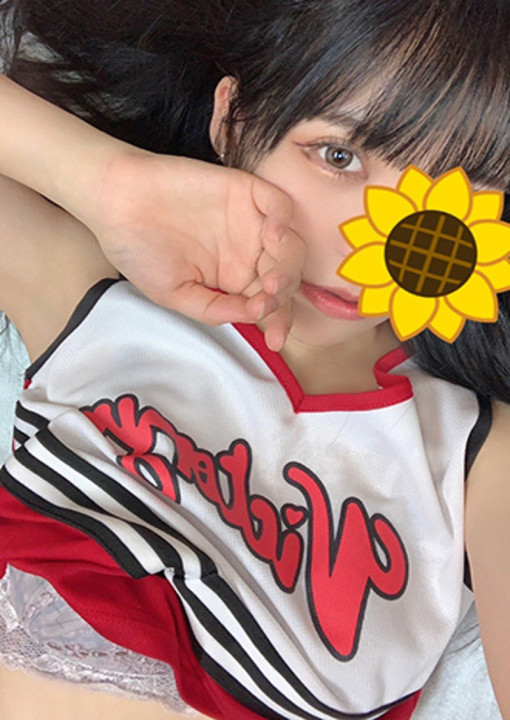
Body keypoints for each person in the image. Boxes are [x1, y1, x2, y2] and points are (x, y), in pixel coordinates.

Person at [0, 1, 509, 719]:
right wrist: (112, 183)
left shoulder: (477, 452)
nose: (367, 249)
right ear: (232, 121)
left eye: (450, 192)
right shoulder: (101, 297)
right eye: (338, 156)